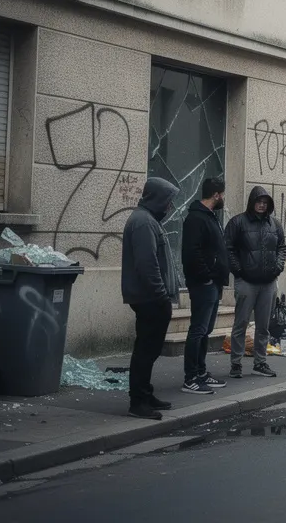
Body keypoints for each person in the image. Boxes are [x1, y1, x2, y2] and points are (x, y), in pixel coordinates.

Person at [121, 176, 180, 420]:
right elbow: (148, 265)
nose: (169, 207)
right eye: (168, 201)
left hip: (149, 296)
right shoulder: (143, 222)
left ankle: (145, 394)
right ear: (157, 198)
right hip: (149, 297)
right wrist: (160, 296)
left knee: (149, 348)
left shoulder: (147, 219)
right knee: (146, 349)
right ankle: (138, 402)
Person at [224, 185, 286, 379]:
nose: (261, 205)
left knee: (263, 326)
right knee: (240, 323)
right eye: (258, 202)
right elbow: (228, 249)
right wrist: (239, 271)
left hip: (268, 283)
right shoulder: (238, 223)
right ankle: (236, 363)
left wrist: (278, 267)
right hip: (246, 282)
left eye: (265, 203)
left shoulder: (274, 224)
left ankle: (260, 362)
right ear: (252, 202)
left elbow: (282, 247)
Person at [180, 178, 229, 395]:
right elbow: (192, 253)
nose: (223, 198)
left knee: (206, 330)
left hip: (212, 283)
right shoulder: (196, 218)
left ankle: (201, 372)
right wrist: (207, 277)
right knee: (198, 330)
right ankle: (190, 377)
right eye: (222, 194)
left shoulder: (209, 217)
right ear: (217, 195)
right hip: (203, 284)